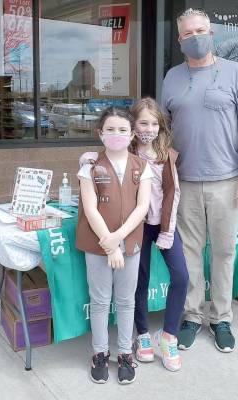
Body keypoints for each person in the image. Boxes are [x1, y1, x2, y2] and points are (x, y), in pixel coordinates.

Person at [161, 8, 238, 353]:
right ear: (179, 40)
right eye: (188, 34)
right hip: (184, 182)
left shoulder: (235, 73)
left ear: (212, 33)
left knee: (223, 252)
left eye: (201, 31)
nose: (195, 38)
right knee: (188, 253)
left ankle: (221, 319)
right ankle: (191, 315)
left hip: (226, 182)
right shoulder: (172, 77)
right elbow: (163, 129)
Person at [76, 106, 152, 385]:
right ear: (100, 133)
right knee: (99, 301)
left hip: (129, 244)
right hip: (97, 245)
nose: (116, 134)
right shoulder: (90, 166)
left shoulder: (141, 167)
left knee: (125, 301)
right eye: (110, 129)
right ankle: (99, 353)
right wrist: (109, 246)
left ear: (132, 134)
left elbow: (142, 207)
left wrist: (117, 238)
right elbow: (90, 208)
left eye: (122, 129)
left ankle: (124, 353)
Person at [130, 97, 189, 371]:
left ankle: (168, 337)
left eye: (154, 123)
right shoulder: (126, 153)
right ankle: (142, 335)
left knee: (181, 275)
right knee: (138, 279)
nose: (149, 128)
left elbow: (172, 193)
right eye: (143, 122)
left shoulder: (167, 155)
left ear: (161, 126)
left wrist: (167, 231)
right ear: (133, 124)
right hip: (137, 226)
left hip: (163, 224)